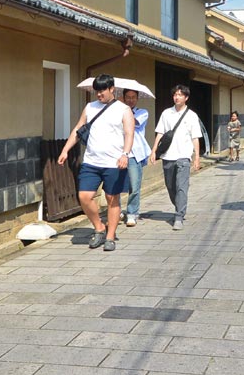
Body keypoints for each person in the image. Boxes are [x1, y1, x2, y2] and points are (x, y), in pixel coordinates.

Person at [58, 74, 134, 251]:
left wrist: (125, 154)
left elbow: (129, 134)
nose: (99, 94)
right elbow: (78, 129)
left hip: (114, 162)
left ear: (112, 89)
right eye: (96, 91)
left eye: (102, 91)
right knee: (84, 196)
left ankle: (110, 236)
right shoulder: (90, 107)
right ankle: (99, 227)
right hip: (91, 161)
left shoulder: (123, 110)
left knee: (111, 198)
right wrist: (65, 149)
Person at [149, 85, 203, 230]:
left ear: (186, 98)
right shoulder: (166, 113)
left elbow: (195, 137)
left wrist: (197, 157)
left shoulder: (192, 115)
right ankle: (179, 205)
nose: (177, 97)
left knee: (181, 187)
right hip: (168, 156)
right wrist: (154, 150)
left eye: (180, 95)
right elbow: (160, 133)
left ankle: (178, 216)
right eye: (175, 94)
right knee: (170, 186)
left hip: (184, 156)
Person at [121, 88, 149, 227]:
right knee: (115, 184)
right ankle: (117, 211)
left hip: (134, 154)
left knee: (134, 185)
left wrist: (121, 110)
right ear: (124, 97)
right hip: (118, 152)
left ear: (137, 99)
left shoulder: (142, 112)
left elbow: (134, 123)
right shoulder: (117, 111)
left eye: (133, 97)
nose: (130, 99)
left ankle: (132, 213)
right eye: (128, 97)